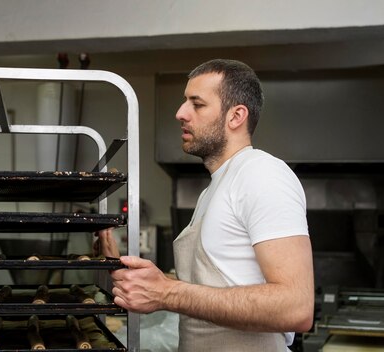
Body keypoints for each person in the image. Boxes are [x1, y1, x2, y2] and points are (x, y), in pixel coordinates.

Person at [95, 59, 314, 352]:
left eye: (196, 104)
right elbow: (212, 286)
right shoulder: (214, 189)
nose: (180, 113)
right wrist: (126, 273)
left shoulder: (262, 174)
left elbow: (296, 308)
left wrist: (167, 293)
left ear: (236, 116)